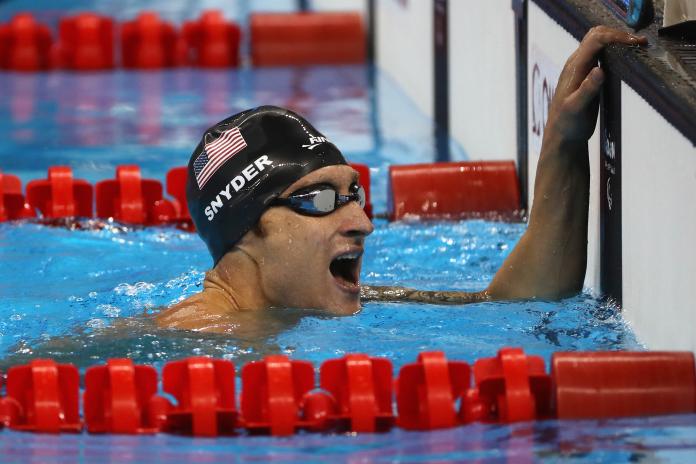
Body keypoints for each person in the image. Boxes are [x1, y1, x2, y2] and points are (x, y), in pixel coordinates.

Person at [156, 27, 647, 332]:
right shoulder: (186, 342)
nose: (363, 223)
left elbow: (516, 301)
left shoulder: (312, 300)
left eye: (355, 194)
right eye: (323, 199)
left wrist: (562, 144)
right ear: (247, 228)